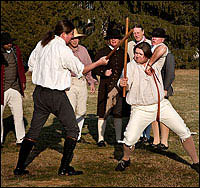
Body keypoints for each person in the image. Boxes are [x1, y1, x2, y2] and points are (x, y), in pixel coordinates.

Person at [13, 19, 108, 176]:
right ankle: (64, 168)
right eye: (71, 34)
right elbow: (81, 69)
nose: (72, 37)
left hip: (39, 94)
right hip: (55, 95)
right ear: (64, 34)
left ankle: (19, 167)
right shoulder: (63, 50)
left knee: (34, 132)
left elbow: (31, 64)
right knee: (73, 129)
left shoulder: (42, 44)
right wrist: (99, 63)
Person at [115, 41, 199, 173]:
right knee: (129, 139)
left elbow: (163, 48)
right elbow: (124, 85)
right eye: (135, 53)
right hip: (140, 108)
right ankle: (125, 159)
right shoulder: (130, 66)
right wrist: (122, 83)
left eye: (140, 54)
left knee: (184, 131)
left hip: (161, 105)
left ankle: (196, 162)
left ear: (148, 55)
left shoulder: (156, 62)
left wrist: (149, 64)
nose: (136, 56)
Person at [93, 28, 130, 147]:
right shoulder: (101, 52)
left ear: (120, 40)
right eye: (112, 38)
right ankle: (100, 139)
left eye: (116, 38)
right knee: (102, 112)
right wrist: (104, 72)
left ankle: (118, 138)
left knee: (118, 113)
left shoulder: (124, 54)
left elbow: (128, 69)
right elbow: (95, 69)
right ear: (108, 40)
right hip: (105, 87)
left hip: (119, 88)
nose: (114, 40)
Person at [66, 28, 97, 143]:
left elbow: (88, 66)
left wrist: (91, 81)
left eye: (77, 39)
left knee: (82, 110)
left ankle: (77, 135)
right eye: (73, 38)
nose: (74, 41)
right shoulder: (65, 50)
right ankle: (71, 134)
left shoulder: (83, 50)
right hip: (70, 81)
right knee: (70, 109)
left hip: (81, 81)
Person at [149, 28, 175, 151]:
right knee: (154, 115)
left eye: (157, 37)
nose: (154, 39)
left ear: (163, 39)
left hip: (162, 88)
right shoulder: (151, 51)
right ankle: (156, 139)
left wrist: (165, 88)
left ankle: (164, 141)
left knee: (163, 115)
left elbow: (170, 73)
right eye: (153, 36)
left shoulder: (168, 54)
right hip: (151, 88)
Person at [127, 24, 152, 146]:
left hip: (146, 75)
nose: (136, 35)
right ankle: (136, 135)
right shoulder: (130, 45)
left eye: (138, 32)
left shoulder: (149, 43)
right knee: (136, 106)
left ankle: (146, 135)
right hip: (134, 76)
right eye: (134, 33)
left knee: (147, 105)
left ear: (143, 32)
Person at [1, 32, 26, 147]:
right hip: (2, 89)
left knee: (19, 114)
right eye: (7, 43)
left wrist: (23, 82)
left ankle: (21, 139)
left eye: (10, 42)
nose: (9, 44)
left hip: (15, 87)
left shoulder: (16, 51)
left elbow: (20, 66)